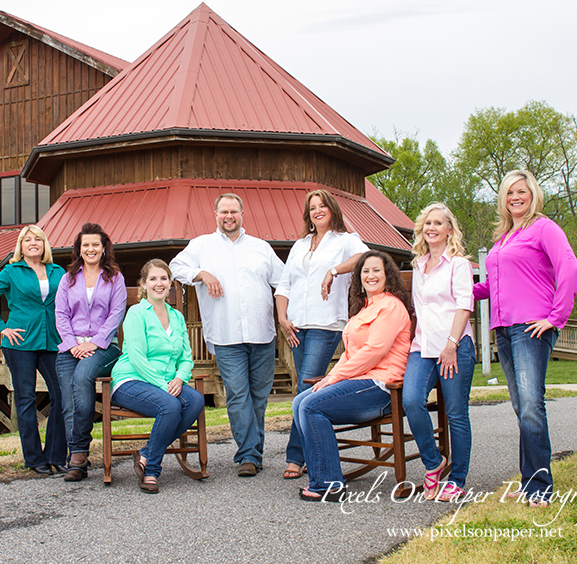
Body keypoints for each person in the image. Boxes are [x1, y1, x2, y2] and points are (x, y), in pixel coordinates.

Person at [473, 169, 577, 507]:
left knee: (532, 404)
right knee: (521, 407)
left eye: (522, 191)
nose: (516, 197)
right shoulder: (503, 238)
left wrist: (555, 317)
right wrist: (456, 291)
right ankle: (529, 479)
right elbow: (492, 286)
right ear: (503, 200)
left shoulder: (543, 228)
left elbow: (569, 267)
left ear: (533, 194)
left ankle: (540, 486)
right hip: (503, 330)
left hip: (531, 329)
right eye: (509, 193)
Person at [170, 193, 284, 477]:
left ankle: (252, 452)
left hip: (262, 334)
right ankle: (248, 454)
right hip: (225, 334)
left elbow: (283, 281)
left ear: (242, 213)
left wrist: (285, 317)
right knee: (237, 394)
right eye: (224, 212)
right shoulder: (201, 246)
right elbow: (175, 267)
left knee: (258, 396)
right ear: (216, 214)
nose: (229, 216)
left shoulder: (261, 247)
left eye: (234, 211)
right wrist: (202, 274)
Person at [293, 250, 412, 502]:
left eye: (376, 270)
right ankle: (321, 475)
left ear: (387, 275)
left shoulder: (390, 306)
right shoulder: (364, 310)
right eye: (365, 271)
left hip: (382, 387)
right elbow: (350, 354)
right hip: (358, 382)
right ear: (359, 278)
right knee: (299, 402)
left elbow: (374, 351)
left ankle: (329, 484)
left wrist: (335, 379)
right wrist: (331, 377)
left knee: (311, 407)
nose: (370, 275)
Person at [275, 189, 367, 480]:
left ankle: (297, 456)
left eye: (322, 206)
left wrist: (334, 270)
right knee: (303, 388)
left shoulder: (345, 240)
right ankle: (309, 451)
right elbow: (285, 283)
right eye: (312, 207)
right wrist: (282, 318)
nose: (317, 211)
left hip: (326, 323)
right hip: (297, 325)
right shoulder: (300, 245)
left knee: (305, 387)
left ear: (332, 209)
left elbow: (366, 257)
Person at [0, 225, 66, 476]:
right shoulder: (11, 271)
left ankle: (57, 455)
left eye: (38, 239)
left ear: (45, 244)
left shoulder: (58, 272)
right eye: (28, 240)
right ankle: (35, 459)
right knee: (25, 399)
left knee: (61, 395)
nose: (33, 243)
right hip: (20, 343)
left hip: (52, 341)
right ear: (21, 246)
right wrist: (1, 327)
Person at [110, 259, 204, 494]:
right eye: (153, 279)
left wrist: (181, 378)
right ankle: (152, 470)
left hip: (166, 382)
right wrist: (163, 385)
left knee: (196, 401)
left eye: (163, 278)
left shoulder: (177, 317)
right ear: (144, 284)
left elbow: (186, 357)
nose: (158, 283)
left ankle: (146, 453)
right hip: (131, 380)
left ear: (170, 283)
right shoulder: (137, 313)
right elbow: (137, 357)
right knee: (171, 406)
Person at [402, 203, 476, 501]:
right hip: (423, 347)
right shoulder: (418, 265)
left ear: (449, 229)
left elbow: (464, 305)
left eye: (438, 223)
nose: (431, 227)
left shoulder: (458, 264)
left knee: (456, 412)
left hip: (454, 346)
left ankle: (457, 478)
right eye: (427, 223)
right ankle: (434, 463)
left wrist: (451, 344)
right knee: (411, 399)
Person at [54, 222, 127, 482]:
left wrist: (94, 343)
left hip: (104, 347)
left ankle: (77, 455)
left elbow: (116, 314)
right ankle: (79, 453)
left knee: (82, 377)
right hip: (70, 347)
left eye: (96, 244)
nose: (91, 249)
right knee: (68, 401)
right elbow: (61, 314)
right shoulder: (68, 278)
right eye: (86, 245)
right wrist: (73, 343)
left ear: (104, 247)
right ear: (79, 248)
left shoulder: (115, 277)